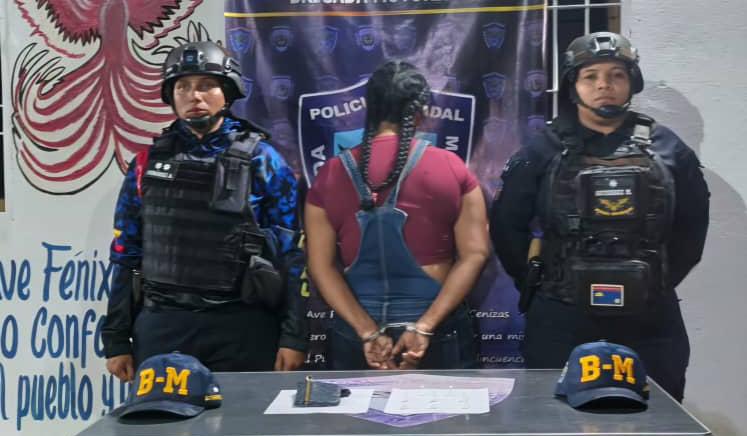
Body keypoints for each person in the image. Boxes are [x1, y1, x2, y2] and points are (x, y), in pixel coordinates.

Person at [490, 32, 709, 401]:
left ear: (632, 82)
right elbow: (506, 228)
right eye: (590, 76)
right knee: (554, 417)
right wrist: (543, 283)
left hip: (649, 320)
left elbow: (691, 232)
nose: (604, 85)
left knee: (661, 417)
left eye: (616, 75)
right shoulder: (541, 150)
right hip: (562, 318)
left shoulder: (669, 149)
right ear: (573, 84)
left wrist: (652, 281)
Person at [102, 41, 308, 381]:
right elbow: (126, 255)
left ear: (227, 93)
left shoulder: (264, 161)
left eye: (206, 85)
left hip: (243, 326)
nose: (194, 96)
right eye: (182, 87)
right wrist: (115, 339)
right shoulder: (145, 164)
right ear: (171, 97)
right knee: (162, 417)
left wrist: (294, 337)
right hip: (164, 326)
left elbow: (291, 258)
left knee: (242, 418)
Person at [305, 61, 489, 370]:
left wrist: (367, 331)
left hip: (356, 331)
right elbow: (476, 254)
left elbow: (320, 266)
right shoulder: (451, 167)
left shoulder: (330, 174)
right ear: (419, 113)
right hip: (435, 329)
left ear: (371, 108)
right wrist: (424, 327)